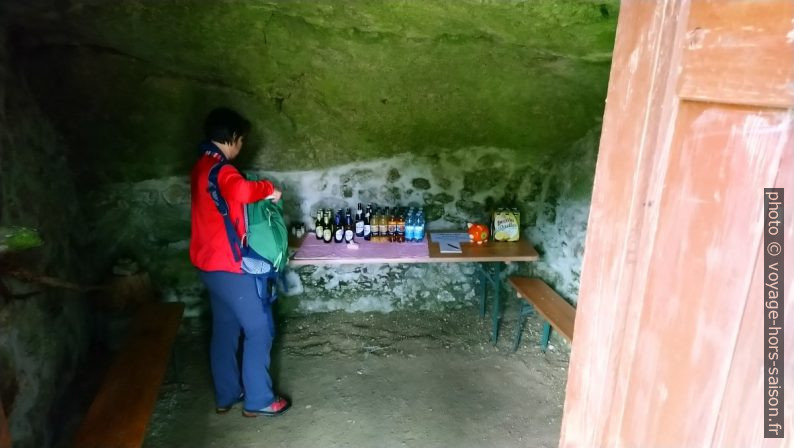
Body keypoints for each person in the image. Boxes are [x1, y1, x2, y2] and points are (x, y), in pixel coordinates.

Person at [189, 107, 291, 417]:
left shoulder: (200, 167)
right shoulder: (223, 170)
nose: (241, 146)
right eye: (241, 140)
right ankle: (259, 400)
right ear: (232, 138)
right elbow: (244, 191)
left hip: (208, 266)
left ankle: (227, 395)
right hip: (232, 269)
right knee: (260, 330)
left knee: (224, 329)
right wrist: (269, 190)